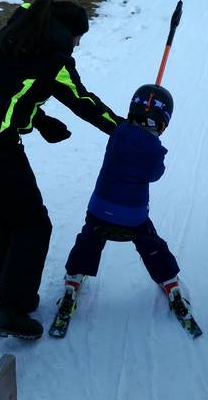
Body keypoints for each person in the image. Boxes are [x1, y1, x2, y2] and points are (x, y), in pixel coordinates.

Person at [0, 0, 123, 340]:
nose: (78, 44)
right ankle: (9, 309)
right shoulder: (54, 55)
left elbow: (0, 87)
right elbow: (84, 102)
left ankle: (13, 297)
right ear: (68, 32)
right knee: (32, 223)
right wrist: (126, 131)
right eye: (79, 37)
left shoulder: (11, 37)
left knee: (7, 214)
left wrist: (39, 119)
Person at [56, 84, 191, 325]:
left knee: (90, 238)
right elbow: (155, 174)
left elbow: (127, 139)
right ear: (163, 124)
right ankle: (168, 278)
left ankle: (74, 277)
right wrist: (150, 142)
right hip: (133, 217)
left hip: (99, 209)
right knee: (150, 242)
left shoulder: (118, 133)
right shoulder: (155, 150)